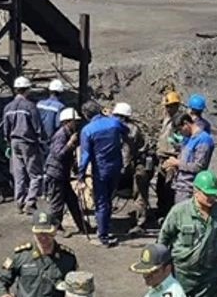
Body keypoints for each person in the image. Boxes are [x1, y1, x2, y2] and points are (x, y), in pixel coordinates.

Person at [77, 101, 127, 247]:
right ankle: (106, 225)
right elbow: (126, 130)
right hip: (116, 168)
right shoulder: (114, 123)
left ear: (86, 115)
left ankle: (103, 235)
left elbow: (85, 155)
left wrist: (81, 175)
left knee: (101, 202)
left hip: (100, 170)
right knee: (109, 199)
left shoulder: (87, 130)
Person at [44, 108, 89, 237]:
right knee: (57, 203)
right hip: (56, 173)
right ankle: (56, 228)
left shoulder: (70, 134)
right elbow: (58, 155)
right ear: (66, 122)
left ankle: (82, 226)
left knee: (72, 201)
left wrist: (76, 170)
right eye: (74, 122)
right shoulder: (61, 135)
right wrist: (70, 143)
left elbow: (69, 156)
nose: (76, 124)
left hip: (63, 174)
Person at [3, 76, 45, 214]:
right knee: (36, 175)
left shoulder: (8, 107)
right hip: (28, 142)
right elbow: (38, 127)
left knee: (19, 174)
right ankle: (30, 202)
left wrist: (8, 144)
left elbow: (6, 129)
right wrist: (42, 142)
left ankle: (19, 202)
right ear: (28, 90)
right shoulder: (30, 106)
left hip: (14, 142)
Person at [113, 102, 152, 232]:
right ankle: (140, 222)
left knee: (139, 192)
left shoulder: (128, 129)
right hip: (129, 164)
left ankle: (140, 223)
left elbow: (127, 152)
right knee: (139, 194)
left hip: (132, 165)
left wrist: (123, 168)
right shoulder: (133, 128)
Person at [168, 114, 214, 203]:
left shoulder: (203, 140)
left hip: (190, 188)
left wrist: (177, 163)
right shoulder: (188, 139)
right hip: (181, 186)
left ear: (186, 123)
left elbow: (198, 167)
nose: (180, 133)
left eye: (180, 130)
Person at [152, 92, 183, 222]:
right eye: (167, 106)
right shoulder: (167, 119)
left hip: (171, 157)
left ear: (176, 106)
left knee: (169, 187)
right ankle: (161, 210)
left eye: (170, 106)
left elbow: (181, 141)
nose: (167, 108)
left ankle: (168, 214)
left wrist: (177, 157)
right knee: (160, 186)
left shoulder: (179, 121)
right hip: (162, 156)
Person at [37, 79, 67, 144]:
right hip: (51, 140)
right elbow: (58, 125)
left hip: (38, 139)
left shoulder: (39, 104)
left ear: (49, 91)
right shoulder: (60, 107)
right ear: (61, 93)